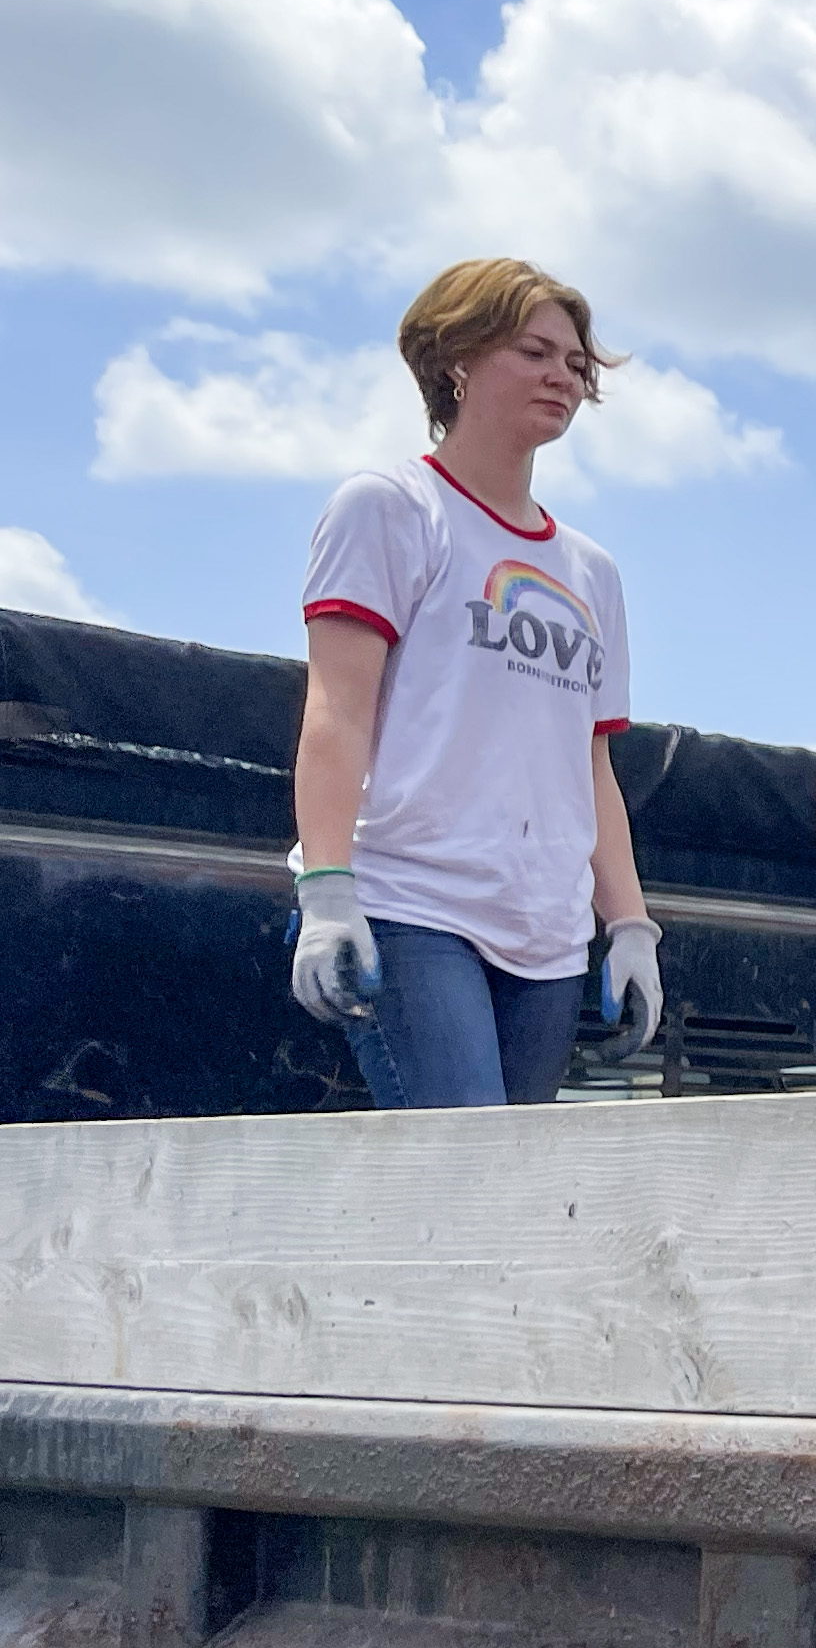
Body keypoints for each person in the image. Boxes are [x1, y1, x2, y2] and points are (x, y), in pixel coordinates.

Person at [288, 258, 662, 1109]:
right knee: (470, 1173)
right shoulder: (390, 507)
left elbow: (590, 767)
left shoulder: (591, 572)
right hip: (411, 904)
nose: (562, 377)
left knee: (515, 1193)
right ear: (457, 358)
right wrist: (328, 889)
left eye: (576, 363)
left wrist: (630, 926)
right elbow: (336, 713)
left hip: (548, 937)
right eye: (535, 352)